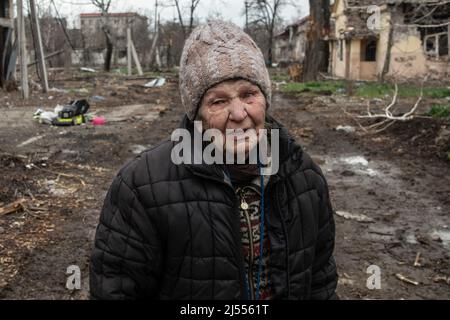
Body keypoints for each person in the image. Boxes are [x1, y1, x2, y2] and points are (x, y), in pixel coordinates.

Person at [90, 21, 338, 300]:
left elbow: (321, 282)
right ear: (197, 115)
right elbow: (115, 290)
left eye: (248, 94)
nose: (238, 113)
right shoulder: (140, 187)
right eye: (218, 101)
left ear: (265, 100)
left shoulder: (304, 177)